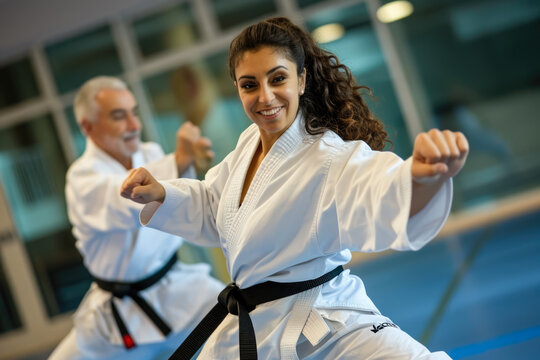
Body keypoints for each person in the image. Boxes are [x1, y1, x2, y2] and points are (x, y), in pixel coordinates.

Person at [120, 17, 469, 360]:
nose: (265, 97)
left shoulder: (328, 158)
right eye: (249, 85)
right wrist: (162, 193)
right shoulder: (248, 145)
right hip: (254, 327)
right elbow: (216, 205)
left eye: (278, 79)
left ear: (301, 80)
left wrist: (424, 177)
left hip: (325, 324)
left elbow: (380, 189)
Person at [49, 76, 224, 360]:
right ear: (87, 127)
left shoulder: (151, 153)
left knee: (247, 322)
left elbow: (179, 205)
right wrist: (179, 161)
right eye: (119, 117)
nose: (134, 126)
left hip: (180, 291)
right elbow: (127, 202)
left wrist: (190, 162)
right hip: (117, 314)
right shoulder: (82, 177)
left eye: (134, 113)